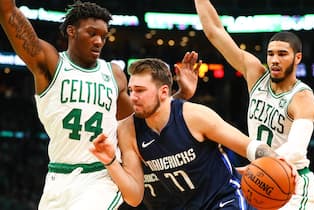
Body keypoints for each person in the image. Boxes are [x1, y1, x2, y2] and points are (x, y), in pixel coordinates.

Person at [0, 1, 199, 209]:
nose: (99, 41)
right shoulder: (52, 63)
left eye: (103, 36)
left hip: (100, 176)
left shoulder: (113, 74)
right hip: (58, 177)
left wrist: (182, 94)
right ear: (71, 31)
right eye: (92, 33)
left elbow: (139, 121)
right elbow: (8, 12)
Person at [89, 58, 296, 209]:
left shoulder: (194, 116)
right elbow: (134, 197)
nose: (133, 97)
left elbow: (249, 145)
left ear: (163, 92)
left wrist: (278, 161)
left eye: (140, 90)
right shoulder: (128, 129)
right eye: (131, 90)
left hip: (223, 199)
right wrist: (110, 162)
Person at [194, 0, 314, 209]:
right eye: (270, 54)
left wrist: (259, 166)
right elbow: (215, 32)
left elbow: (296, 149)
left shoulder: (303, 97)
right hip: (263, 180)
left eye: (282, 54)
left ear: (297, 58)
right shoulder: (256, 75)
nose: (274, 60)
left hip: (294, 184)